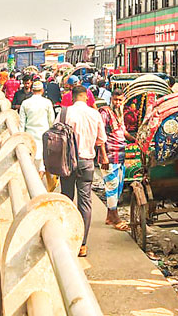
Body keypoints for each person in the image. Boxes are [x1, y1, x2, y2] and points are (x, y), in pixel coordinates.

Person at [62, 85, 107, 257]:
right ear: (86, 98)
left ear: (72, 97)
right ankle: (82, 244)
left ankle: (67, 239)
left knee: (66, 199)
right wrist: (103, 156)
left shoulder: (65, 112)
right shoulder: (94, 114)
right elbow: (101, 139)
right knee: (85, 202)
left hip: (67, 162)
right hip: (87, 161)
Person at [100, 93, 132, 230]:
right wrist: (104, 156)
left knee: (118, 187)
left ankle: (109, 216)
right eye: (116, 100)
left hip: (120, 155)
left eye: (120, 100)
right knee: (112, 186)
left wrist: (137, 140)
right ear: (111, 100)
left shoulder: (119, 115)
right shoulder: (105, 112)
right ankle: (116, 219)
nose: (118, 102)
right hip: (110, 155)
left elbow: (123, 132)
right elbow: (100, 134)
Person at [20, 80, 57, 190]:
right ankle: (38, 182)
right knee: (42, 160)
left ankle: (34, 184)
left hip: (29, 135)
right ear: (42, 90)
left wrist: (21, 137)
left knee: (31, 160)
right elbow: (52, 121)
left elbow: (22, 123)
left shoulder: (25, 103)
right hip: (44, 134)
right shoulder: (47, 103)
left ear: (32, 90)